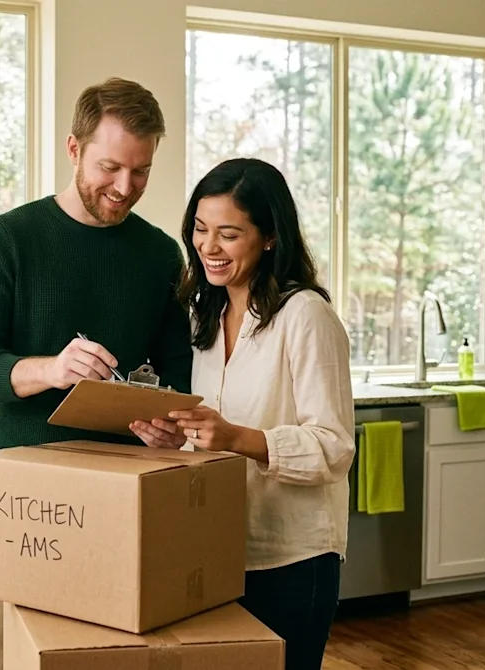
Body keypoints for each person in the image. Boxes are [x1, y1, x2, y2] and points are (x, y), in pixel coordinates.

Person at [0, 77, 193, 670]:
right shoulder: (9, 239)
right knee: (6, 654)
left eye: (141, 172)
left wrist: (165, 425)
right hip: (22, 494)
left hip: (121, 492)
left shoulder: (160, 255)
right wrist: (51, 368)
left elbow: (173, 373)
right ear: (74, 148)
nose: (124, 187)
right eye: (111, 167)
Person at [131, 157, 355, 670]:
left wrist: (235, 437)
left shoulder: (306, 316)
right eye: (200, 230)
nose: (208, 247)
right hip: (216, 547)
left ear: (270, 237)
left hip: (293, 557)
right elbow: (206, 435)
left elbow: (335, 446)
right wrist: (173, 438)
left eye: (228, 234)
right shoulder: (203, 315)